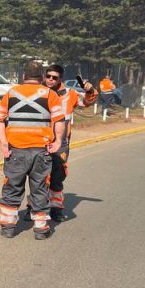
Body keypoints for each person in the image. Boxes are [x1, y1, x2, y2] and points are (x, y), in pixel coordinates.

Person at [0, 61, 66, 240]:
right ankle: (41, 228)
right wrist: (57, 141)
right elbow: (59, 120)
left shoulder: (11, 93)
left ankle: (8, 227)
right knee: (40, 187)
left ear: (23, 77)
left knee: (12, 186)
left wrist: (4, 143)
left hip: (16, 150)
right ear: (41, 77)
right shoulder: (50, 94)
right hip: (41, 150)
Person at [43, 64, 96, 222]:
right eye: (48, 76)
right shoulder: (39, 93)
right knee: (38, 177)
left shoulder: (70, 94)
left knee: (57, 177)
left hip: (61, 143)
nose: (50, 80)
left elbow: (86, 103)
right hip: (40, 140)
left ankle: (56, 208)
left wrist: (89, 91)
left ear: (61, 79)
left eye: (55, 77)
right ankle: (34, 207)